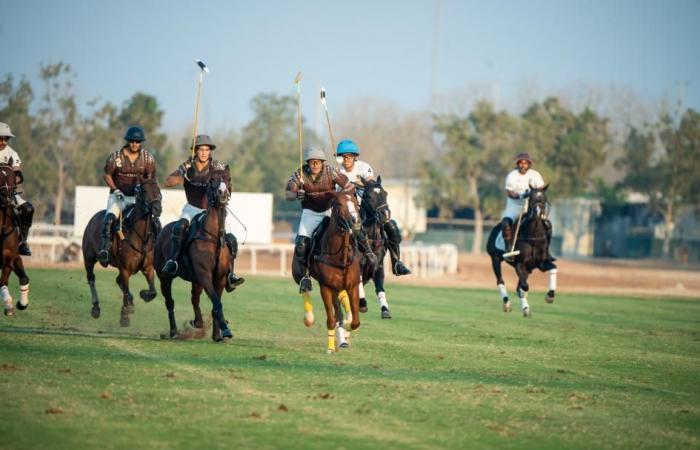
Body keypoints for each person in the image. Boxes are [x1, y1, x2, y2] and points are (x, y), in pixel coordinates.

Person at [285, 146, 377, 293]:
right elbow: (288, 194)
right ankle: (305, 277)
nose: (315, 164)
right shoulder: (300, 174)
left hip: (329, 211)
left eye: (318, 162)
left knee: (352, 227)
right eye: (312, 162)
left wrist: (341, 195)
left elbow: (349, 187)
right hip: (310, 213)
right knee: (302, 244)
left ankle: (368, 253)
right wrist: (297, 195)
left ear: (322, 162)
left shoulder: (331, 171)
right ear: (308, 163)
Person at [161, 134, 244, 292]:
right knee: (179, 228)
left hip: (211, 211)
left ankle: (230, 274)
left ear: (210, 151)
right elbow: (167, 181)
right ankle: (173, 261)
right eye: (201, 149)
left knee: (230, 238)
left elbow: (227, 185)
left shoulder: (218, 167)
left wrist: (224, 191)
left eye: (207, 149)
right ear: (195, 151)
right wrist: (183, 177)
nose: (204, 152)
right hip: (192, 208)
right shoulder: (187, 165)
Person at [336, 139, 411, 276]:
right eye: (343, 156)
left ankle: (397, 263)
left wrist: (360, 183)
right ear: (339, 158)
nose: (346, 159)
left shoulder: (364, 167)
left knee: (391, 225)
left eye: (349, 156)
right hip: (349, 212)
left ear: (354, 157)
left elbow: (371, 180)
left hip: (366, 209)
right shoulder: (337, 172)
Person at [98, 125, 159, 264]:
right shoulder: (116, 157)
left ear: (141, 142)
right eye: (132, 141)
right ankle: (105, 249)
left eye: (137, 141)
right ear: (127, 141)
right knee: (109, 219)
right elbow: (107, 175)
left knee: (154, 221)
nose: (134, 144)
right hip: (119, 196)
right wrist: (115, 189)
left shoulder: (147, 159)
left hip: (138, 198)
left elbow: (150, 179)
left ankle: (157, 248)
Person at [501, 152, 555, 264]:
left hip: (532, 206)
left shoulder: (535, 175)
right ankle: (509, 248)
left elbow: (540, 190)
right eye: (521, 163)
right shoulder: (512, 175)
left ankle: (546, 252)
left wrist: (537, 196)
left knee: (547, 224)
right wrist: (521, 195)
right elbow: (510, 193)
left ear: (529, 164)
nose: (523, 165)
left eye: (525, 163)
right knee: (506, 223)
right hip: (515, 206)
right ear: (517, 164)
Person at [0, 122, 34, 256]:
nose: (3, 142)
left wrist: (12, 182)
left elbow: (19, 175)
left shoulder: (12, 154)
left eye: (6, 138)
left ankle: (22, 242)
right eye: (0, 138)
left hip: (8, 193)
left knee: (28, 209)